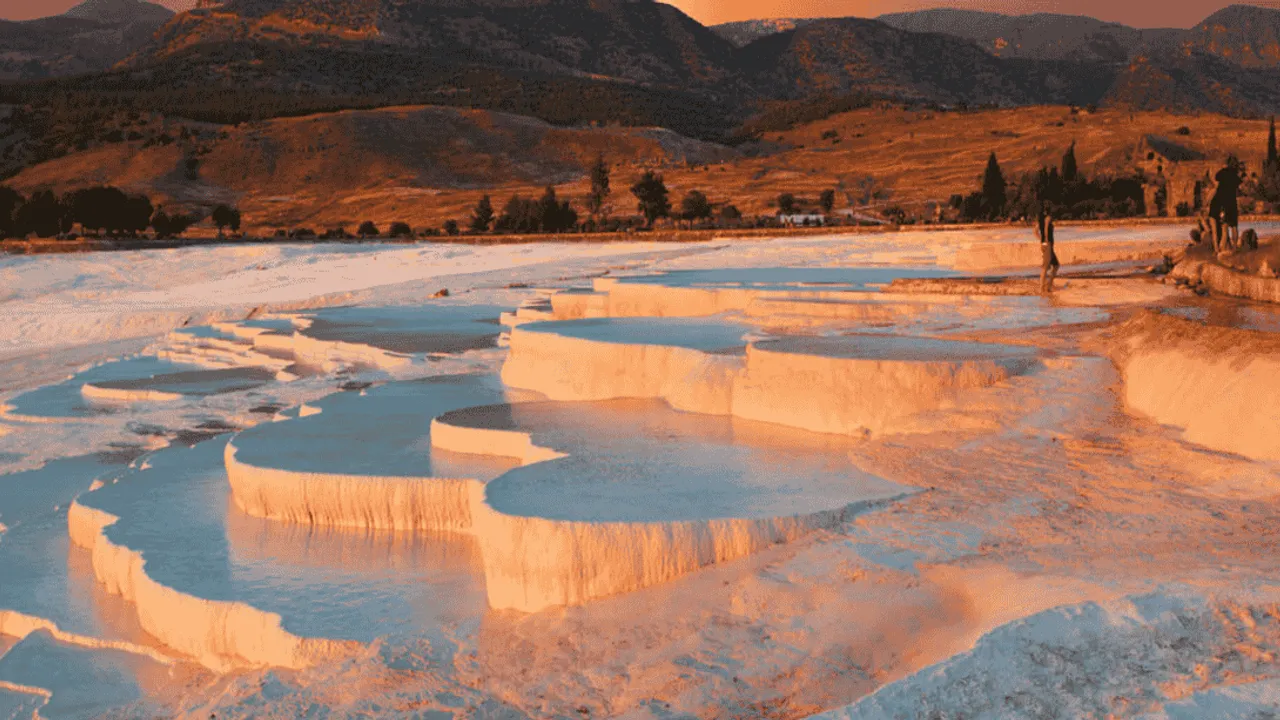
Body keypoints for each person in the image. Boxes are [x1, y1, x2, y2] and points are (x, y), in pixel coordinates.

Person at [1037, 206, 1059, 293]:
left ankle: (1048, 285)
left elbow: (1035, 231)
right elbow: (1046, 229)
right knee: (1045, 267)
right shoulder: (1048, 218)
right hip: (1048, 244)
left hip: (1047, 244)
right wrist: (1045, 241)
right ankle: (1042, 288)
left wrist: (1041, 241)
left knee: (1056, 265)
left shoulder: (1041, 220)